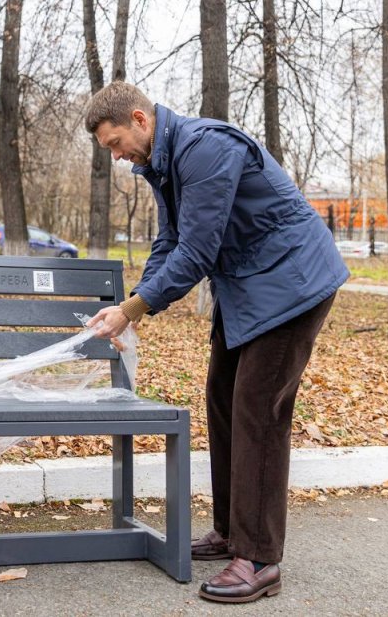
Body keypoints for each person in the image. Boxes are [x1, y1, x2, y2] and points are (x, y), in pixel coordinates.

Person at [82, 82, 348, 604]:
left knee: (258, 409)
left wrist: (133, 309)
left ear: (139, 118)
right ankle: (232, 531)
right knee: (222, 399)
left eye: (115, 143)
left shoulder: (205, 148)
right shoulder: (162, 162)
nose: (116, 156)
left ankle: (260, 558)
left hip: (293, 283)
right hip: (251, 286)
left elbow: (199, 250)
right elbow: (171, 241)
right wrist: (136, 301)